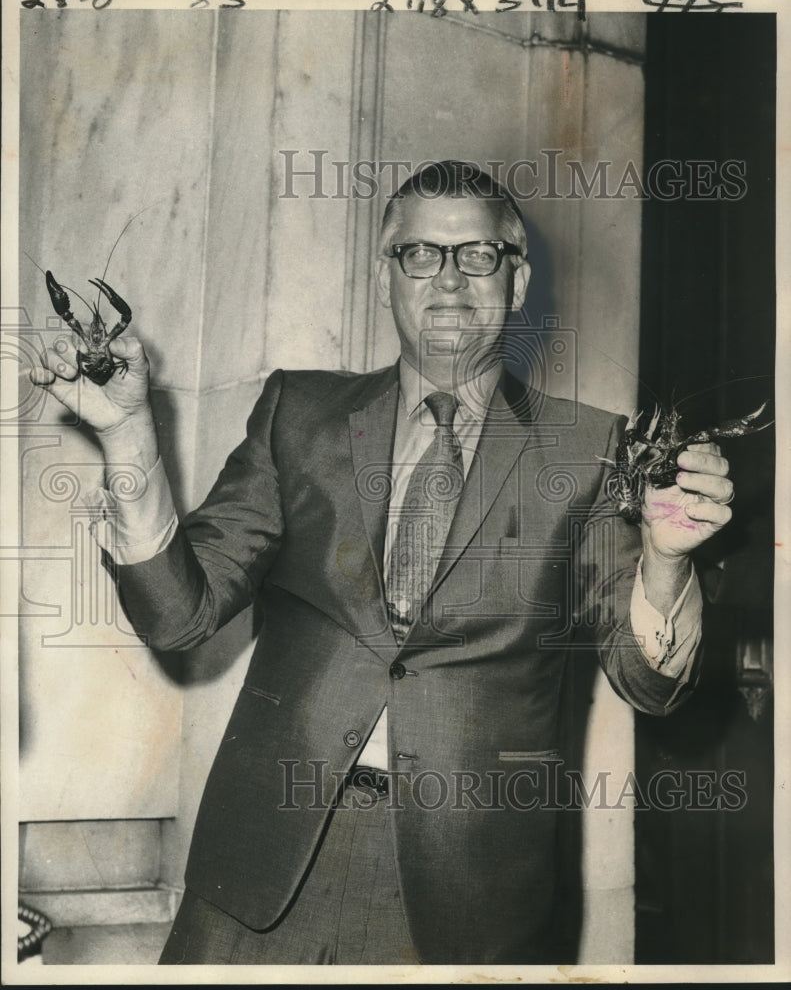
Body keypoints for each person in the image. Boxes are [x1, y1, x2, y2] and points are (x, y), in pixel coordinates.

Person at [31, 162, 734, 965]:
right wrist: (127, 439)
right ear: (383, 273)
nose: (448, 280)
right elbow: (176, 614)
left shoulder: (590, 449)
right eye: (420, 255)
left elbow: (650, 682)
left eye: (476, 254)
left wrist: (667, 560)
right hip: (258, 872)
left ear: (517, 274)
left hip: (468, 899)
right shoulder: (298, 413)